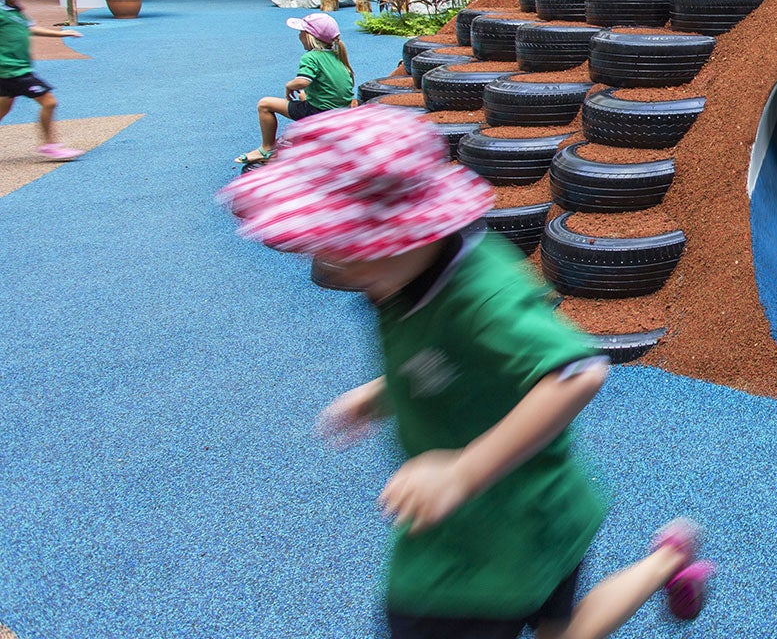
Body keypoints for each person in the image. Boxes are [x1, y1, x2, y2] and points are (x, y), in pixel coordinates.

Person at [217, 104, 713, 639]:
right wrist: (384, 392)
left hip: (520, 516)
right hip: (484, 522)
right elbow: (450, 357)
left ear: (399, 237)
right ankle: (669, 559)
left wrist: (462, 472)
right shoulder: (401, 281)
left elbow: (579, 371)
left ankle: (663, 562)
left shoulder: (483, 296)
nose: (318, 261)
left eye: (334, 246)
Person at [237, 12, 356, 167]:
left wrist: (289, 85)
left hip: (319, 113)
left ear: (309, 36)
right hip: (340, 112)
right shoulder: (337, 57)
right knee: (303, 96)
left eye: (301, 32)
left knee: (264, 104)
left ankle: (266, 149)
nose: (299, 36)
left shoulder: (311, 57)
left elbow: (303, 81)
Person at [0, 0, 84, 161]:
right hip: (11, 71)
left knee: (3, 110)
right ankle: (49, 146)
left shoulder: (15, 10)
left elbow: (30, 28)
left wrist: (62, 34)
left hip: (15, 70)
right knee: (49, 102)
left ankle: (49, 144)